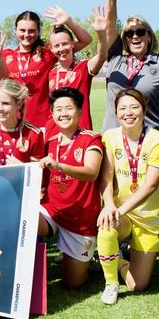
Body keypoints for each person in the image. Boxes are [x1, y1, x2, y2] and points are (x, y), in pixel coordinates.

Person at [97, 89, 159, 304]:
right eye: (122, 108)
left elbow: (150, 186)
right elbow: (106, 177)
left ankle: (116, 258)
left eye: (134, 107)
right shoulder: (110, 137)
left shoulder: (158, 139)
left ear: (144, 110)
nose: (128, 113)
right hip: (122, 215)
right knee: (107, 225)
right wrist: (109, 205)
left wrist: (119, 210)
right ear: (116, 112)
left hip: (149, 217)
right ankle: (111, 283)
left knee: (137, 285)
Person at [37, 87, 103, 288]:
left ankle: (92, 260)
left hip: (80, 218)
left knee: (73, 284)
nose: (63, 113)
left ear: (80, 111)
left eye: (68, 108)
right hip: (53, 210)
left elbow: (91, 172)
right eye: (58, 109)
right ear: (52, 113)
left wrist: (60, 166)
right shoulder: (48, 142)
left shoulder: (91, 138)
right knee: (23, 221)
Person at [101, 0, 159, 133]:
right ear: (124, 39)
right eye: (129, 33)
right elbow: (110, 24)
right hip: (113, 143)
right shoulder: (116, 58)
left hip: (149, 144)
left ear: (149, 36)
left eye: (140, 32)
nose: (135, 36)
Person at [1, 8, 92, 129]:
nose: (26, 35)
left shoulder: (47, 52)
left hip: (43, 125)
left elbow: (86, 40)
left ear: (38, 31)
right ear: (15, 30)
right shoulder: (4, 55)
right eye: (22, 30)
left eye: (32, 31)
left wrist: (69, 21)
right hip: (14, 122)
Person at [45, 5, 109, 136]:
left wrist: (101, 34)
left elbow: (102, 55)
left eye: (65, 44)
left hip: (81, 134)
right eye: (56, 46)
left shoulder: (84, 67)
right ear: (51, 49)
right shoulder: (51, 73)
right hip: (55, 135)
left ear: (73, 43)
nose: (61, 48)